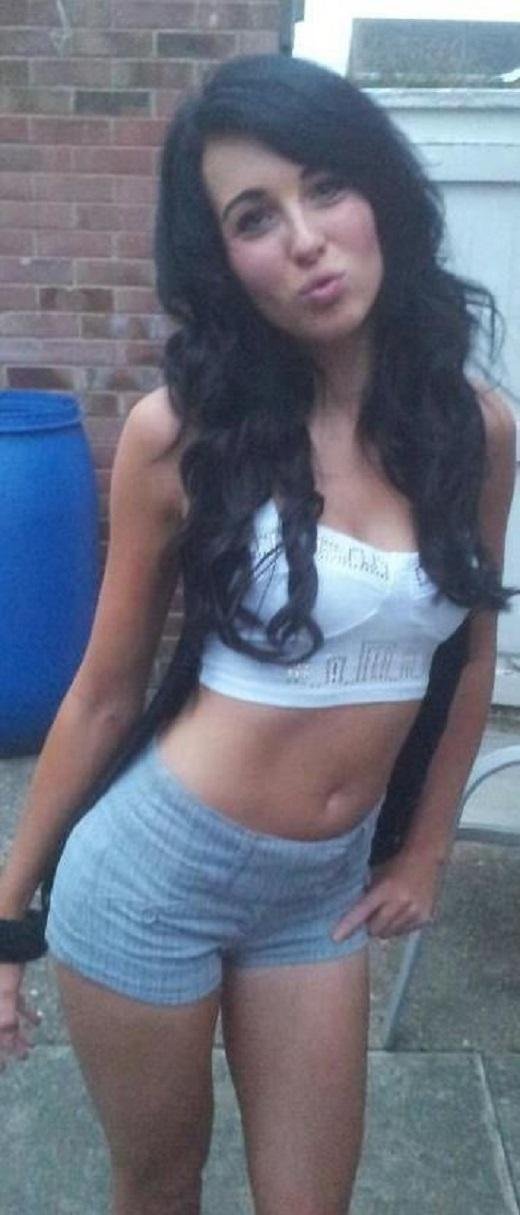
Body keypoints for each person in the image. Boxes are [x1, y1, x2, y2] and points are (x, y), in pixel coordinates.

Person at [0, 53, 516, 1215]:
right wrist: (6, 918)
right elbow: (104, 693)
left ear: (381, 192)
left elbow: (468, 655)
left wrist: (426, 849)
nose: (306, 240)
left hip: (318, 892)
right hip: (153, 876)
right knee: (160, 1186)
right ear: (219, 260)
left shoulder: (475, 429)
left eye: (325, 186)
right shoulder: (179, 434)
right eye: (253, 217)